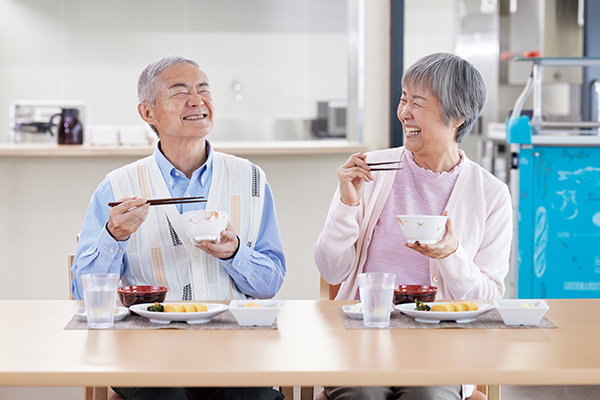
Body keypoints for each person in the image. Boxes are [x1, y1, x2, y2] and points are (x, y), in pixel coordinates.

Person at [71, 56, 286, 400]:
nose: (197, 101)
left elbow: (270, 284)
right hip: (143, 347)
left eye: (203, 89)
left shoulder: (252, 179)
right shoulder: (117, 187)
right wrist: (116, 236)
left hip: (232, 343)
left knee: (253, 397)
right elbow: (85, 294)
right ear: (148, 113)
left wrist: (235, 253)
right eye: (179, 91)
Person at [314, 53, 512, 400]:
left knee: (428, 396)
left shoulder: (491, 194)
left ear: (457, 116)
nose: (404, 112)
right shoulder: (369, 171)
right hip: (364, 336)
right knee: (362, 395)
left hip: (442, 346)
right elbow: (331, 268)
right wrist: (347, 205)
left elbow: (489, 299)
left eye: (417, 103)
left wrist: (452, 255)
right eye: (403, 99)